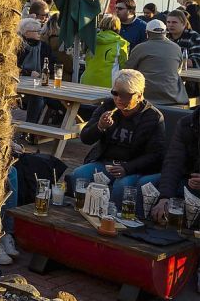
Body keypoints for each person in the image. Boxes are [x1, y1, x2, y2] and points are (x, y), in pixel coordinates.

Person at [71, 70, 165, 205]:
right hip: (105, 163)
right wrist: (99, 127)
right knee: (79, 175)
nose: (119, 99)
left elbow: (156, 154)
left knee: (123, 186)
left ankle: (114, 219)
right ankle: (85, 212)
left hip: (134, 167)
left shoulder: (152, 117)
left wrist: (127, 168)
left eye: (126, 95)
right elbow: (85, 138)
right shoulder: (108, 106)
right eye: (115, 93)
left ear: (139, 95)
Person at [148, 109, 200, 224]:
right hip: (186, 179)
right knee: (146, 184)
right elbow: (173, 162)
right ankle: (141, 231)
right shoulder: (187, 123)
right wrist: (165, 197)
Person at [124, 20, 188, 106]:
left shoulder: (140, 48)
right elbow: (178, 70)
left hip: (146, 97)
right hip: (173, 97)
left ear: (147, 33)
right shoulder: (176, 48)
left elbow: (128, 71)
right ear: (165, 33)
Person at [17, 17, 57, 122]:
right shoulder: (18, 47)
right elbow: (12, 67)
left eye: (40, 30)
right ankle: (30, 132)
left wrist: (45, 71)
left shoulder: (44, 47)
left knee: (56, 101)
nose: (39, 33)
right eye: (36, 31)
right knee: (37, 98)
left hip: (40, 84)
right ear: (26, 33)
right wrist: (28, 73)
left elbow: (53, 63)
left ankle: (32, 132)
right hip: (19, 85)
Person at [80, 14, 129, 88]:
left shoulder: (92, 40)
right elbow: (124, 66)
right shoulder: (121, 43)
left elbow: (86, 59)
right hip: (108, 83)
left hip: (87, 80)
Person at [41, 14, 72, 78]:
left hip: (43, 76)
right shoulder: (60, 43)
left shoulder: (41, 38)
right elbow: (70, 67)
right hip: (60, 78)